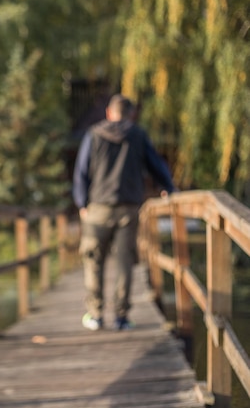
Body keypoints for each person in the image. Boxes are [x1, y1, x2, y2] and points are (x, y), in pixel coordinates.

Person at [72, 94, 176, 331]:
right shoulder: (137, 135)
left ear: (109, 113)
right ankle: (121, 317)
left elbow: (81, 171)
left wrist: (81, 203)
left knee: (93, 261)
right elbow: (155, 164)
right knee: (124, 263)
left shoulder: (94, 134)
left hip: (98, 208)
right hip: (128, 209)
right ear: (131, 114)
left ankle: (96, 315)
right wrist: (167, 187)